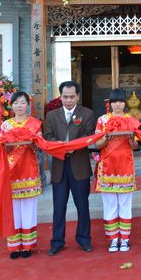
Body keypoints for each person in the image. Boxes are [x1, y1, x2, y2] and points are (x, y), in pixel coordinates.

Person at [44, 81, 96, 256]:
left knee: (82, 206)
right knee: (59, 207)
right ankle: (57, 241)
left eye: (72, 97)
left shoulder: (87, 114)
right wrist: (59, 146)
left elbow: (89, 135)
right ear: (60, 97)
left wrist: (75, 146)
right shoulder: (52, 115)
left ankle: (84, 239)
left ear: (78, 96)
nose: (68, 100)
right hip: (59, 166)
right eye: (65, 97)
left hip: (79, 165)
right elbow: (47, 136)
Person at [94, 88, 140, 253]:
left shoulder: (131, 120)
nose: (118, 104)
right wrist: (106, 138)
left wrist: (132, 140)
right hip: (107, 167)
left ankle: (125, 239)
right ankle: (113, 239)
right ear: (110, 103)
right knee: (110, 205)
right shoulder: (102, 120)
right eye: (114, 101)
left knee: (125, 205)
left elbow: (135, 146)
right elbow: (97, 144)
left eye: (121, 101)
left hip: (125, 166)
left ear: (125, 103)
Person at [0, 92, 43, 259]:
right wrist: (8, 145)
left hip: (28, 168)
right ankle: (14, 245)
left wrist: (32, 143)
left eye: (23, 102)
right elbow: (0, 147)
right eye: (16, 103)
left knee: (28, 208)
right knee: (13, 209)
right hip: (11, 170)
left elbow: (39, 146)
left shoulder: (35, 124)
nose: (19, 106)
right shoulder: (5, 125)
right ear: (11, 105)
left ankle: (27, 245)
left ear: (28, 105)